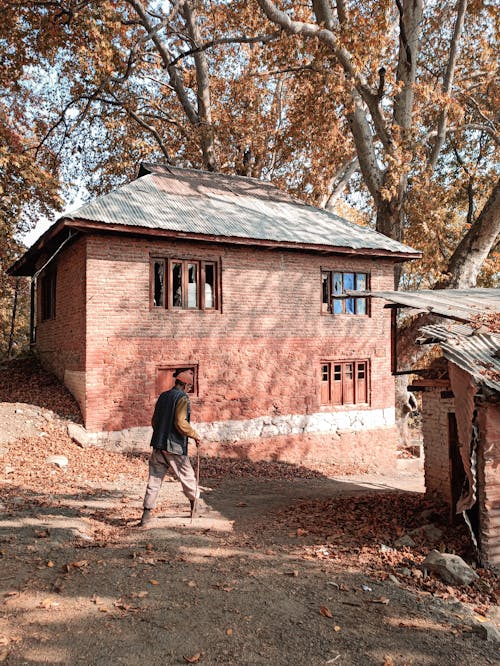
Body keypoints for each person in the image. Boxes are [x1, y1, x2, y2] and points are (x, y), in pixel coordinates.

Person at [139, 369, 207, 527]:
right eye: (188, 387)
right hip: (174, 446)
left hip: (158, 445)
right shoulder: (182, 398)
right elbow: (180, 422)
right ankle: (195, 508)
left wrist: (160, 435)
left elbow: (154, 421)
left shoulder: (163, 396)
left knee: (154, 480)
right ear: (184, 385)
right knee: (188, 476)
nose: (189, 390)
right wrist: (195, 435)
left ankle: (146, 515)